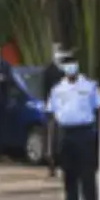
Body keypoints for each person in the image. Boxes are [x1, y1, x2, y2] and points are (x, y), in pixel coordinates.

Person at [46, 51, 100, 200]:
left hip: (85, 134)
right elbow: (52, 118)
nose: (70, 67)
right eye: (67, 64)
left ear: (78, 65)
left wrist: (98, 140)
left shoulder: (90, 86)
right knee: (69, 181)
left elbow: (99, 111)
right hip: (66, 135)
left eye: (73, 63)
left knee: (88, 180)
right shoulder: (57, 90)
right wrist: (51, 149)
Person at [41, 44, 66, 177]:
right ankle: (52, 163)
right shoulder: (49, 70)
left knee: (62, 137)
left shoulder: (65, 71)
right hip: (53, 108)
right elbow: (46, 90)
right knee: (52, 137)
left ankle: (61, 162)